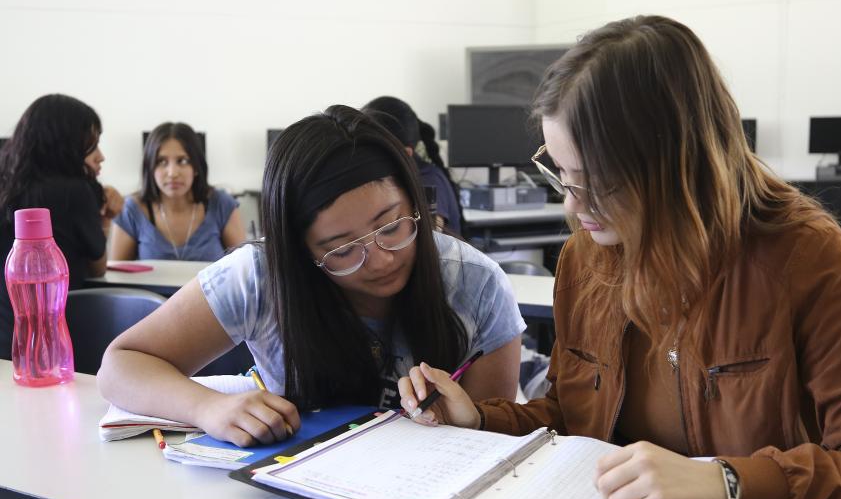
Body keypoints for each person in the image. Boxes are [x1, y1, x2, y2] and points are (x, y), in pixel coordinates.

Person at [400, 15, 841, 499]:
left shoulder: (807, 258)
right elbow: (571, 420)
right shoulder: (585, 258)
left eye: (597, 182)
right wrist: (481, 419)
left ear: (678, 163)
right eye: (561, 174)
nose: (573, 203)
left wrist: (726, 482)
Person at [98, 105, 524, 447]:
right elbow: (121, 366)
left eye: (392, 227)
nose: (378, 261)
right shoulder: (260, 275)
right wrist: (207, 408)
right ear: (298, 251)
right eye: (341, 250)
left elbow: (494, 442)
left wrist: (469, 422)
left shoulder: (475, 283)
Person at [0, 93, 123, 360]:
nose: (100, 157)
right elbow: (98, 267)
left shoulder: (7, 186)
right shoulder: (75, 191)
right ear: (65, 145)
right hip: (52, 343)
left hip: (8, 342)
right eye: (91, 145)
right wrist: (106, 217)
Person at [110, 122, 245, 261]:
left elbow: (244, 270)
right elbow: (117, 277)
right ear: (150, 167)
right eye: (161, 162)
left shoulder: (221, 204)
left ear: (197, 167)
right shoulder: (131, 210)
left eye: (183, 161)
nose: (172, 173)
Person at [363, 96, 463, 235]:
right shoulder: (391, 179)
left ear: (405, 153)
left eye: (371, 151)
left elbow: (431, 239)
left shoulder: (429, 181)